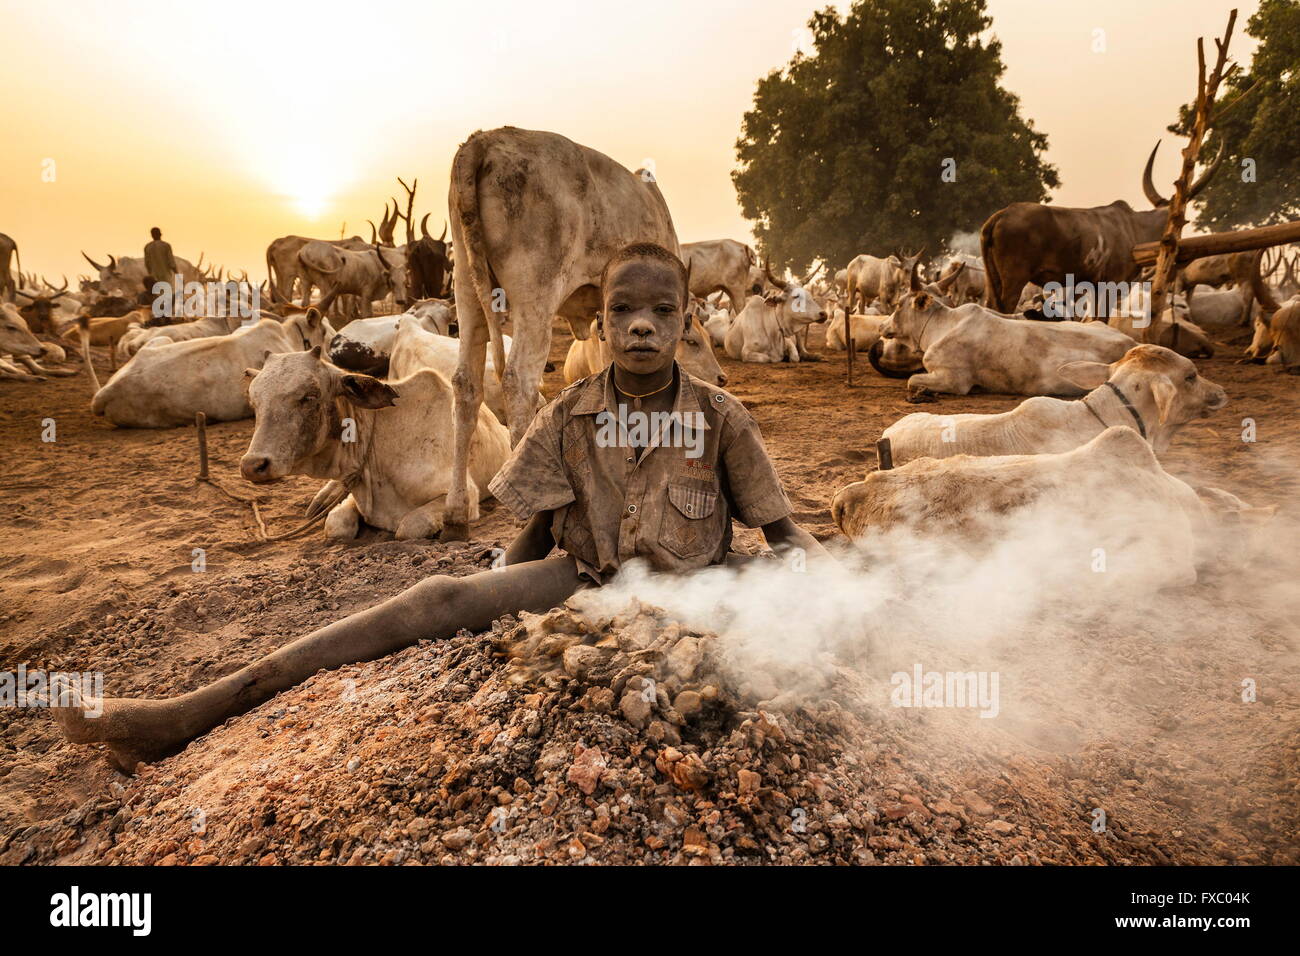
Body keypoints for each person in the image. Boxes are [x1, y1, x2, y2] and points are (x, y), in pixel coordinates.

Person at [53, 242, 831, 771]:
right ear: (597, 320)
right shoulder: (566, 413)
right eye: (623, 309)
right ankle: (187, 713)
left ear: (685, 318)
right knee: (434, 595)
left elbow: (783, 532)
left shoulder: (722, 418)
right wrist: (487, 604)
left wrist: (828, 587)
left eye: (662, 312)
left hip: (702, 597)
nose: (639, 325)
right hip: (585, 584)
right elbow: (533, 529)